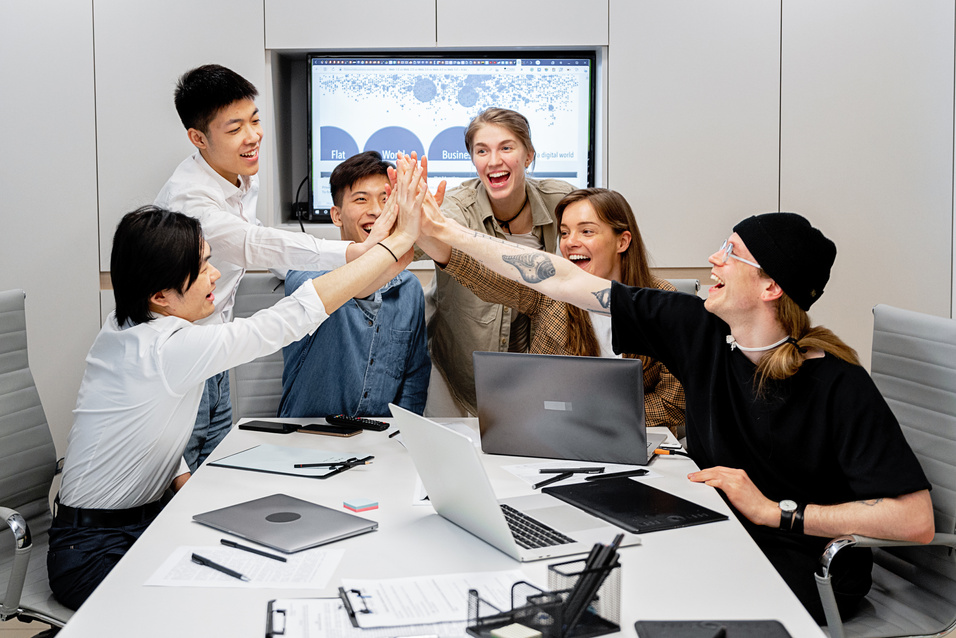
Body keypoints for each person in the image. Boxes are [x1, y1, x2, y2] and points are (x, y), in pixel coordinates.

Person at [418, 204, 934, 623]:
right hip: (716, 532)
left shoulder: (837, 384)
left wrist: (775, 511)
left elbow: (915, 520)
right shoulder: (700, 329)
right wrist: (446, 232)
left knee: (625, 603)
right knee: (583, 578)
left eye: (731, 252)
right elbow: (558, 278)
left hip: (796, 564)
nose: (713, 258)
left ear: (771, 287)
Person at [46, 157, 426, 610]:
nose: (215, 276)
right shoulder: (166, 349)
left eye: (210, 261)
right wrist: (396, 242)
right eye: (202, 268)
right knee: (243, 597)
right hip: (92, 553)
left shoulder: (128, 326)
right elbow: (285, 320)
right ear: (160, 296)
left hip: (140, 520)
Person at [154, 64, 394, 471]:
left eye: (255, 120)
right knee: (177, 477)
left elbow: (254, 232)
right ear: (198, 138)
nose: (253, 137)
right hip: (180, 357)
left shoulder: (240, 172)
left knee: (212, 470)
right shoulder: (190, 200)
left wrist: (295, 266)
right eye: (235, 129)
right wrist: (352, 253)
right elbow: (251, 244)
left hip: (215, 350)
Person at [418, 187, 683, 435]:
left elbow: (673, 402)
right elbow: (484, 276)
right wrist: (423, 233)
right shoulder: (552, 292)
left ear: (622, 242)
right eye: (565, 233)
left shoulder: (663, 301)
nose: (571, 243)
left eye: (587, 232)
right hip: (555, 436)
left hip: (633, 437)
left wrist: (597, 418)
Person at [427, 108, 574, 415]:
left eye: (506, 148)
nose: (493, 161)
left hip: (540, 371)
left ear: (528, 155)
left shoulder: (562, 200)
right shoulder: (457, 207)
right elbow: (414, 245)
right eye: (482, 151)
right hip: (461, 372)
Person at [277, 151, 430, 418]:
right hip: (306, 437)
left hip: (381, 444)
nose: (377, 210)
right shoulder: (305, 273)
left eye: (386, 199)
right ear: (336, 216)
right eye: (361, 199)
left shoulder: (409, 288)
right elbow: (353, 290)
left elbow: (414, 378)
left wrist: (402, 439)